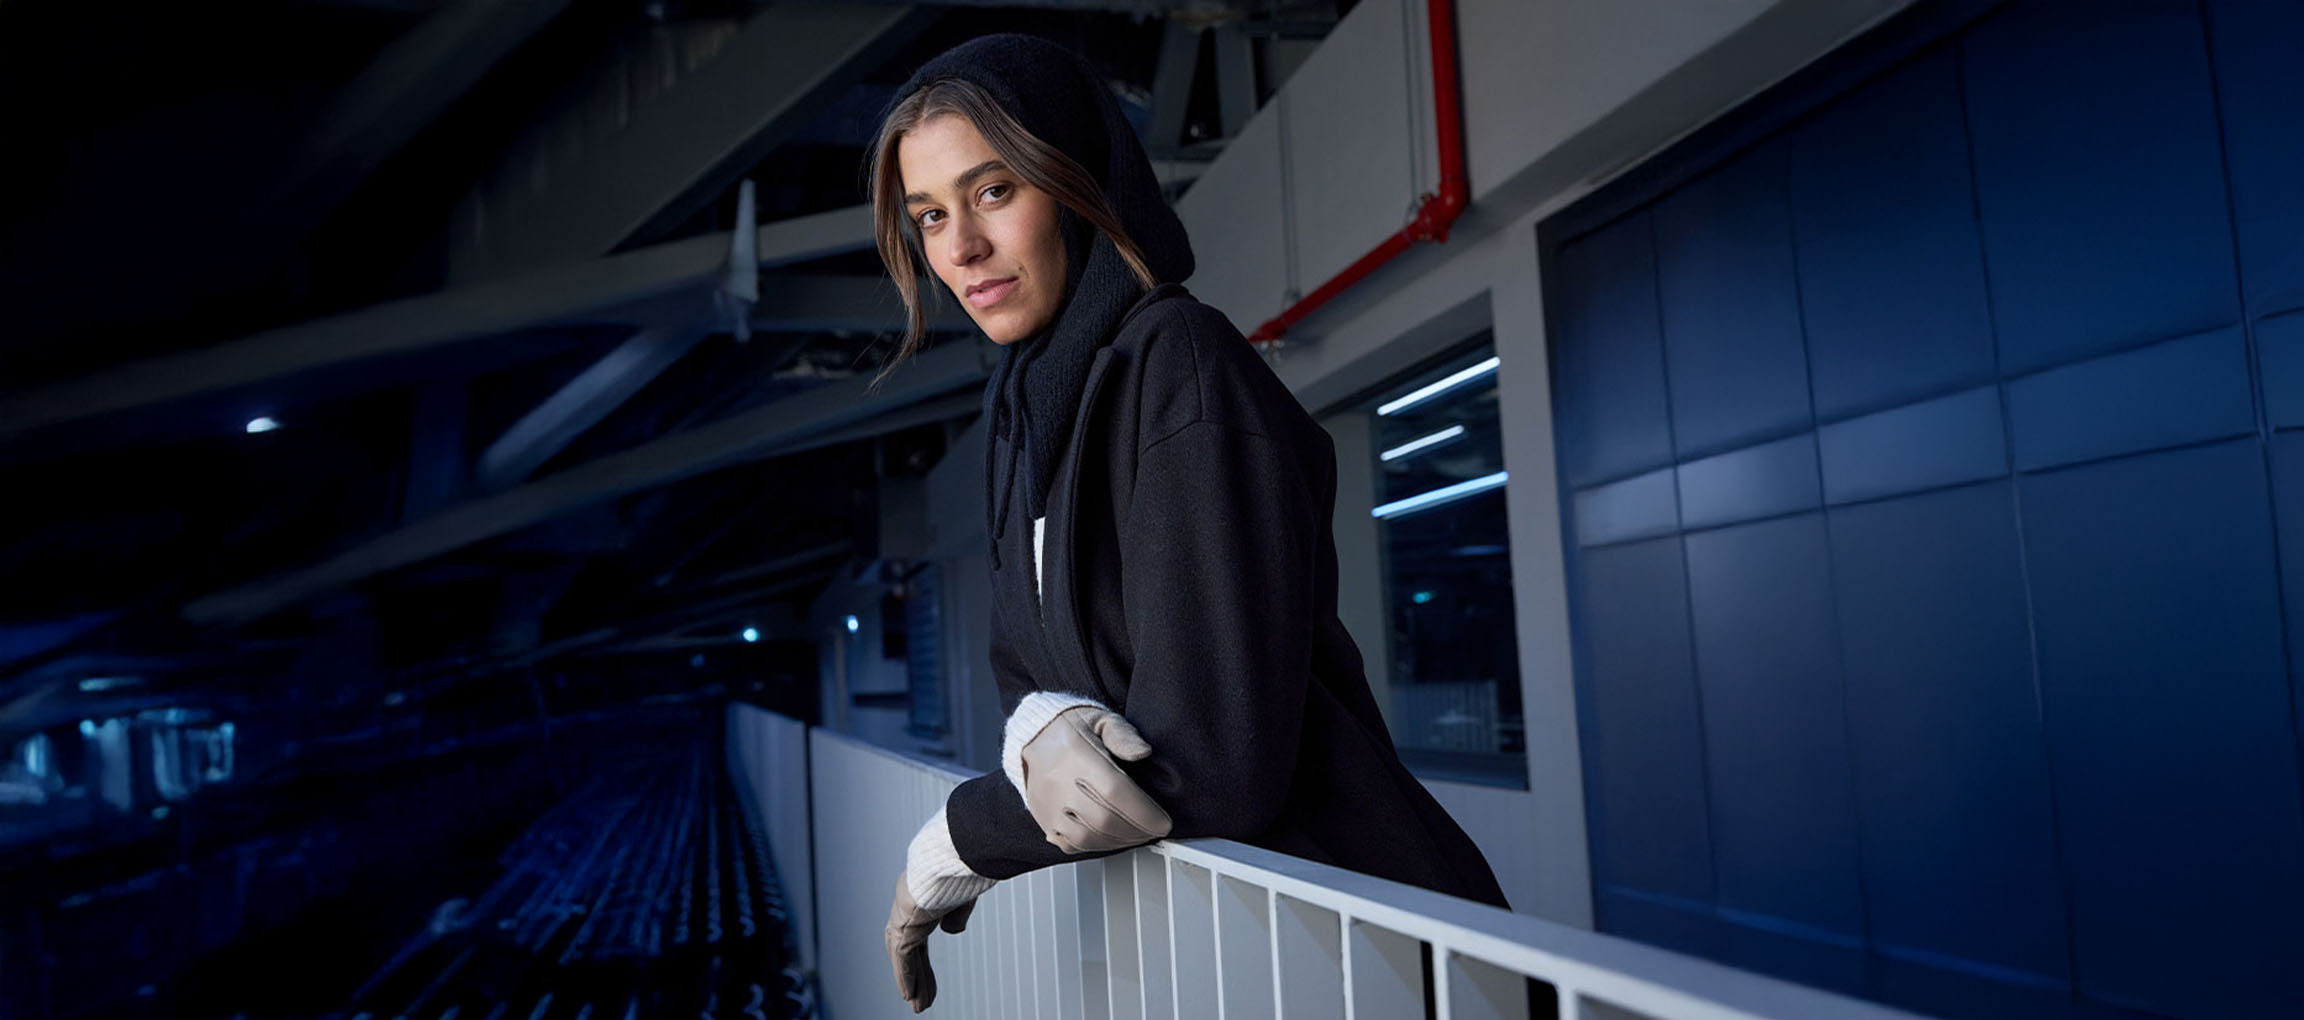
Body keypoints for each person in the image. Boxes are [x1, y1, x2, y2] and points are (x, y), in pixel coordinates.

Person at [866, 32, 1509, 1013]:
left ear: (1072, 180)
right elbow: (1023, 675)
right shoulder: (1025, 416)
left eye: (994, 191)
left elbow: (1208, 765)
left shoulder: (1177, 363)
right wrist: (1046, 724)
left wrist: (948, 849)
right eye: (929, 216)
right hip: (1249, 955)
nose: (960, 247)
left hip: (1368, 942)